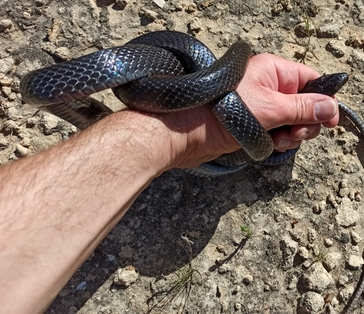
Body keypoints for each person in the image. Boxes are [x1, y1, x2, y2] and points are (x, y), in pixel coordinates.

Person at [0, 53, 340, 314]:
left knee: (261, 147)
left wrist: (181, 136)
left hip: (213, 111)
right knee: (259, 146)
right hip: (197, 89)